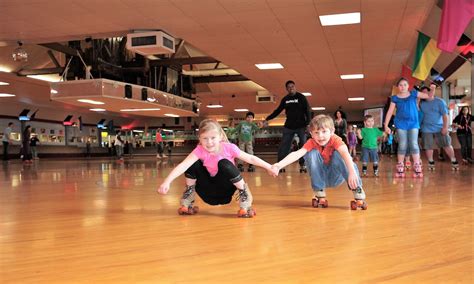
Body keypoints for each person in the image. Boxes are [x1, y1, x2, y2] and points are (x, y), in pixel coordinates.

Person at [157, 119, 274, 218]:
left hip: (225, 191)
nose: (209, 142)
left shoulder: (229, 148)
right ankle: (188, 199)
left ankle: (245, 200)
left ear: (220, 136)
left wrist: (269, 167)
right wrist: (167, 182)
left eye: (213, 137)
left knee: (224, 163)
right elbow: (183, 165)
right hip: (207, 193)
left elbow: (251, 158)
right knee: (192, 163)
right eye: (205, 138)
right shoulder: (199, 150)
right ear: (199, 139)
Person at [270, 115, 368, 210]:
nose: (320, 136)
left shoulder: (336, 140)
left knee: (340, 154)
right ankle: (319, 190)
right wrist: (279, 165)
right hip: (320, 177)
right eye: (316, 132)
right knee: (310, 152)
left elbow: (346, 154)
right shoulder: (311, 142)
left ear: (332, 131)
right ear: (311, 134)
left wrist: (351, 172)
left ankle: (357, 189)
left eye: (324, 131)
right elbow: (297, 154)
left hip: (336, 176)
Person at [384, 78, 434, 177]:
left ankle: (416, 165)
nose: (403, 87)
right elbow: (390, 112)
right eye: (401, 85)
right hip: (401, 123)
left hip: (413, 123)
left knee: (413, 143)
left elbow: (428, 96)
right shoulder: (395, 98)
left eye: (405, 85)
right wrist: (386, 125)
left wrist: (432, 88)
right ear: (398, 87)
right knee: (403, 143)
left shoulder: (414, 93)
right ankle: (400, 165)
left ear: (408, 86)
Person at [264, 80, 311, 173]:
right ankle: (280, 165)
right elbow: (277, 110)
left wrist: (308, 124)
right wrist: (267, 119)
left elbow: (307, 110)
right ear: (286, 89)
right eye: (289, 87)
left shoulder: (301, 97)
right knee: (284, 146)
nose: (291, 88)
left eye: (292, 86)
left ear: (295, 87)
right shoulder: (285, 99)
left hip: (301, 126)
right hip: (289, 126)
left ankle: (303, 164)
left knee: (303, 145)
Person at [418, 86, 459, 170]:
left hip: (439, 127)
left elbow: (445, 115)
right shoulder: (422, 103)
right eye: (423, 93)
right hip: (426, 127)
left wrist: (445, 127)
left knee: (446, 144)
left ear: (431, 92)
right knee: (428, 146)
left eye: (426, 92)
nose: (425, 94)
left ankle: (453, 159)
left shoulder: (440, 101)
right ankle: (431, 161)